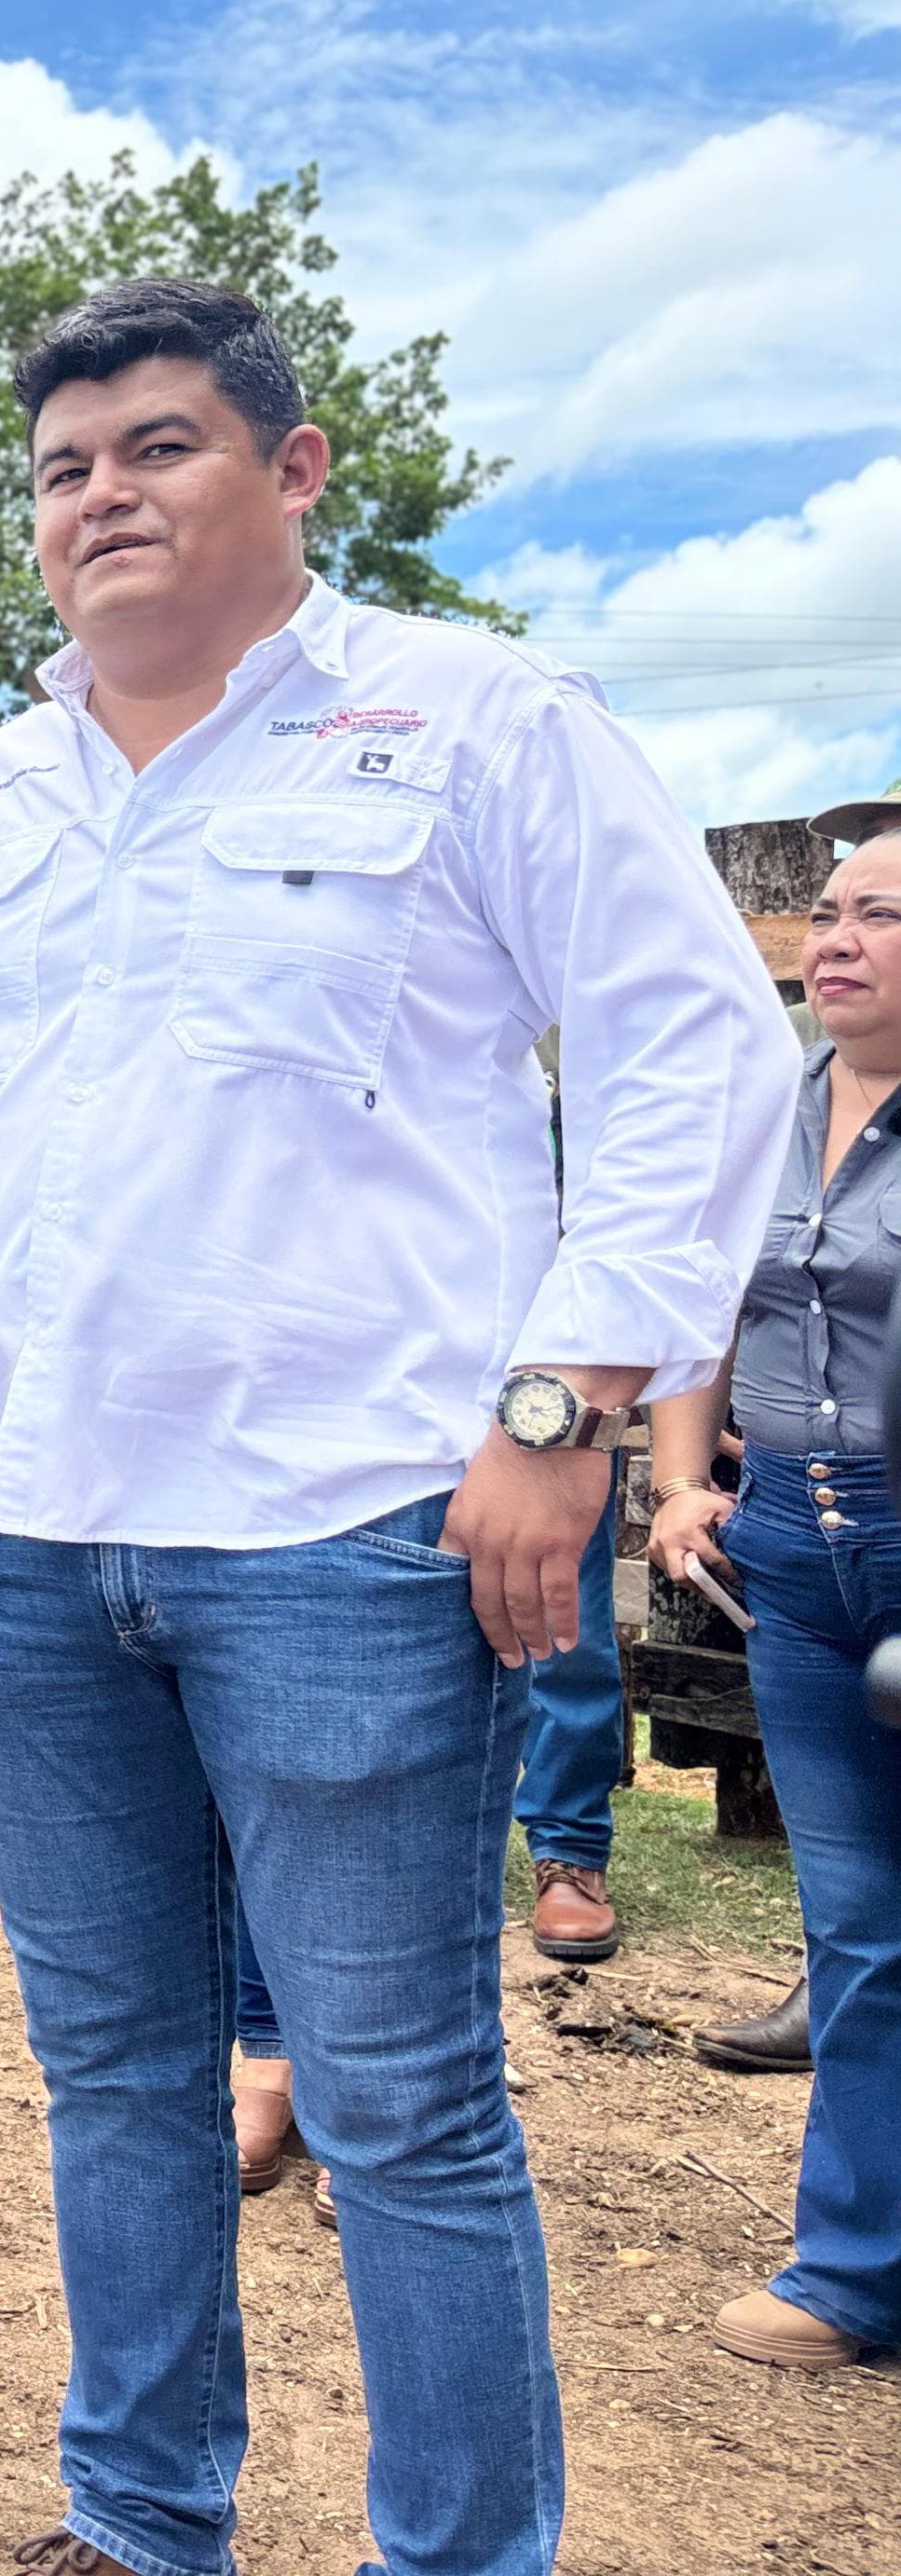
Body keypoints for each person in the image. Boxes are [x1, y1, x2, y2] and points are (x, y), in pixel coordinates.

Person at [0, 280, 794, 2576]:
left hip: (354, 1534)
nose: (103, 497)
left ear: (296, 468)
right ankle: (143, 2519)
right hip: (39, 1529)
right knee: (117, 2087)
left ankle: (459, 2555)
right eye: (65, 469)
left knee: (397, 2104)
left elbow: (692, 1055)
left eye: (158, 447)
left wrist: (564, 1403)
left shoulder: (468, 718)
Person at [642, 832, 901, 2372]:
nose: (841, 936)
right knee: (858, 1922)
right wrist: (680, 1477)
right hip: (800, 1570)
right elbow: (688, 1300)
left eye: (883, 912)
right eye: (827, 910)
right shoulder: (763, 1110)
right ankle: (855, 2266)